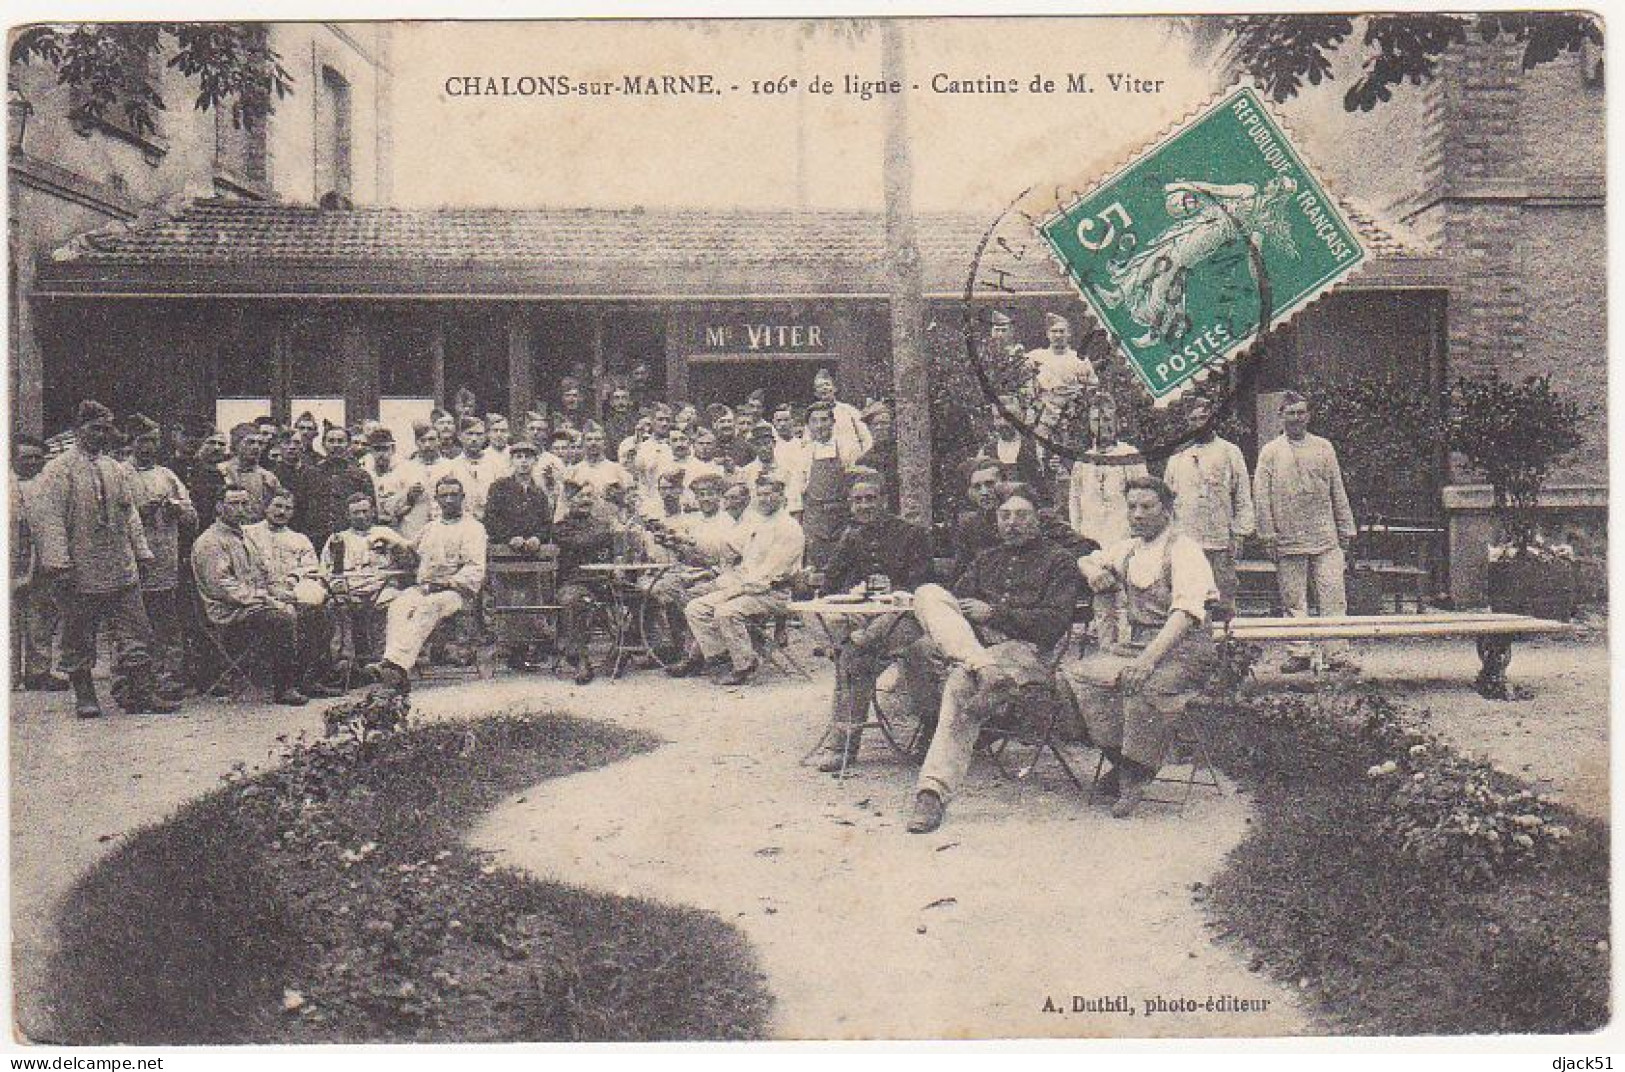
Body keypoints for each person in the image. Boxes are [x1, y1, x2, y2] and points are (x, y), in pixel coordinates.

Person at [903, 483, 1083, 834]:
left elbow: (1052, 624)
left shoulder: (1059, 561)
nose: (1012, 523)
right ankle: (984, 670)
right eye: (1005, 516)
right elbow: (954, 605)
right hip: (978, 646)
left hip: (1025, 649)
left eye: (1021, 515)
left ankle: (932, 791)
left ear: (1038, 518)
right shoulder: (988, 558)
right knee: (928, 594)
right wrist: (969, 622)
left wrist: (995, 613)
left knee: (959, 680)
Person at [1063, 476, 1219, 817]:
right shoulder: (1128, 548)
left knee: (1140, 685)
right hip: (1137, 644)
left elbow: (1185, 614)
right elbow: (1087, 559)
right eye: (1131, 507)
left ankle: (1136, 774)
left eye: (1147, 506)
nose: (1137, 514)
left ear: (1167, 510)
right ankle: (1123, 760)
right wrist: (1093, 573)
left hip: (1184, 649)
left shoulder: (1183, 549)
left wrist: (1147, 661)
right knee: (1076, 678)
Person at [31, 401, 176, 717]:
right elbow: (49, 520)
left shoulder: (114, 467)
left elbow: (129, 514)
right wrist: (59, 565)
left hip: (120, 566)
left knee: (136, 630)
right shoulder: (58, 470)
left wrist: (142, 552)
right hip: (79, 569)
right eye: (93, 428)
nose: (100, 435)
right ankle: (85, 696)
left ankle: (140, 694)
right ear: (78, 430)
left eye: (105, 429)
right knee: (79, 633)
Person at [810, 474, 934, 772]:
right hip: (869, 620)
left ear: (884, 500)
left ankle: (842, 745)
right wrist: (854, 589)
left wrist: (895, 586)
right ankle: (843, 743)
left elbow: (924, 583)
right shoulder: (852, 536)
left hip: (908, 619)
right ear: (850, 505)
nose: (864, 506)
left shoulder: (911, 534)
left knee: (853, 653)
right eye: (857, 500)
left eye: (870, 499)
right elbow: (830, 584)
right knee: (852, 654)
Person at [1253, 391, 1358, 672]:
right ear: (1281, 416)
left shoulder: (1324, 447)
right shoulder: (1270, 451)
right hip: (1288, 536)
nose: (1297, 418)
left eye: (1301, 412)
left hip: (1325, 535)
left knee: (1333, 595)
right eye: (1291, 413)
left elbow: (1337, 487)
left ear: (1308, 415)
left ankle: (1336, 654)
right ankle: (1298, 652)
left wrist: (1346, 527)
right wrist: (1267, 534)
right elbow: (1261, 496)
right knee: (1293, 598)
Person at [674, 473, 805, 686]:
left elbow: (769, 574)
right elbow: (730, 550)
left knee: (725, 610)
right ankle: (722, 657)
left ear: (781, 496)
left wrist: (733, 591)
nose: (764, 499)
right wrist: (690, 545)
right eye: (760, 495)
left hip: (773, 593)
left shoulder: (788, 528)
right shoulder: (759, 523)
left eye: (769, 494)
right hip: (749, 587)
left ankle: (744, 664)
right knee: (695, 608)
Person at [191, 486, 313, 706]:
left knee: (311, 609)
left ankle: (308, 680)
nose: (241, 509)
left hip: (252, 603)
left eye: (245, 504)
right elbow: (224, 589)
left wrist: (281, 592)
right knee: (280, 619)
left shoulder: (245, 536)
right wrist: (266, 598)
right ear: (219, 507)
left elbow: (262, 572)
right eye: (234, 504)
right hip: (229, 612)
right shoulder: (210, 542)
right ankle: (284, 688)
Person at [370, 476, 488, 690]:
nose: (449, 500)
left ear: (462, 498)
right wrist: (392, 544)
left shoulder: (474, 528)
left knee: (428, 607)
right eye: (444, 496)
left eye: (454, 495)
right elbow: (410, 550)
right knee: (399, 606)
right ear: (437, 499)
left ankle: (395, 668)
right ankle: (393, 666)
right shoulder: (431, 527)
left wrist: (446, 583)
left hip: (456, 593)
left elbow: (475, 568)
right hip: (424, 587)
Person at [125, 414, 198, 700]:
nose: (149, 446)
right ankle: (139, 679)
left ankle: (168, 676)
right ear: (131, 442)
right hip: (133, 560)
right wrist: (142, 511)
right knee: (135, 622)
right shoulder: (121, 474)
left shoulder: (167, 476)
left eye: (154, 440)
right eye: (143, 440)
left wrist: (178, 511)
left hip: (165, 558)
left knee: (166, 619)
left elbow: (193, 516)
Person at [1163, 397, 1255, 617]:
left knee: (1224, 597)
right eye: (1193, 419)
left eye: (1203, 418)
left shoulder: (1229, 451)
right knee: (1190, 597)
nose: (1199, 424)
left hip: (1220, 539)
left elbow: (1242, 493)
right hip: (1187, 539)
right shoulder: (1178, 455)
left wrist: (1241, 532)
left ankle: (1227, 644)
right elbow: (1167, 498)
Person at [244, 490, 341, 697]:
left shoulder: (299, 539)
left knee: (321, 614)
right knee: (287, 619)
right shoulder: (248, 534)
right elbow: (245, 569)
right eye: (277, 506)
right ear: (265, 507)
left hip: (292, 593)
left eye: (288, 508)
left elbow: (311, 568)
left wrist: (293, 582)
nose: (282, 512)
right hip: (259, 594)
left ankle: (308, 679)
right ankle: (286, 685)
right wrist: (269, 590)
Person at [322, 493, 407, 673]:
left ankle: (387, 661)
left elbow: (409, 560)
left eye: (364, 511)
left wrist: (395, 547)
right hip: (351, 589)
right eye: (355, 512)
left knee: (393, 604)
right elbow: (327, 571)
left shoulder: (386, 533)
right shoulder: (337, 539)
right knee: (335, 606)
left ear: (373, 512)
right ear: (347, 515)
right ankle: (344, 663)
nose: (361, 516)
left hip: (383, 587)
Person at [550, 487, 619, 685]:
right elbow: (580, 542)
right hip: (575, 583)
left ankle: (620, 653)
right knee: (572, 600)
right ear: (569, 501)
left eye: (589, 496)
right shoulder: (561, 528)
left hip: (604, 583)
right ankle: (580, 659)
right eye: (580, 496)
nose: (585, 500)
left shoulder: (601, 525)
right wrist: (605, 534)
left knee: (638, 594)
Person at [11, 434, 64, 691]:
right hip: (10, 557)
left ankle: (38, 671)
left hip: (41, 559)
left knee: (41, 617)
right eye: (25, 458)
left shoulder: (49, 485)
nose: (32, 462)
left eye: (36, 458)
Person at [794, 402, 861, 569]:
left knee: (846, 565)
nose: (819, 425)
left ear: (832, 422)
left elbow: (856, 482)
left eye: (824, 420)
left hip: (842, 516)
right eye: (814, 421)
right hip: (815, 520)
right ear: (808, 426)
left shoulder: (848, 448)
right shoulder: (803, 453)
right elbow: (796, 492)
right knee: (816, 567)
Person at [1022, 313, 1097, 453]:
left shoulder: (1079, 359)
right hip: (1043, 417)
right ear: (1047, 334)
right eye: (1054, 331)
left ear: (1069, 334)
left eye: (1061, 331)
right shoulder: (1036, 356)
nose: (1057, 335)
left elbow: (1092, 388)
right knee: (1041, 451)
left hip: (1072, 418)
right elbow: (1023, 384)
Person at [303, 424, 376, 552]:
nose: (336, 445)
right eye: (331, 441)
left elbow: (371, 511)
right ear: (324, 445)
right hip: (316, 539)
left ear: (348, 445)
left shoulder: (361, 476)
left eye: (340, 441)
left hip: (351, 539)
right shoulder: (310, 474)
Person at [218, 426, 284, 524]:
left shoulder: (268, 478)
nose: (256, 447)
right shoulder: (220, 471)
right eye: (250, 442)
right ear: (236, 444)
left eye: (260, 443)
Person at [364, 428, 425, 533]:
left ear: (393, 449)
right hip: (375, 525)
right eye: (377, 449)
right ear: (370, 450)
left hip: (402, 525)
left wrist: (398, 514)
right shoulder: (367, 472)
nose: (381, 454)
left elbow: (414, 500)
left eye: (385, 449)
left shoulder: (409, 470)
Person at [811, 368, 874, 460]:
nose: (824, 388)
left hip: (851, 464)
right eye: (819, 386)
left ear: (835, 389)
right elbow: (808, 441)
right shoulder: (812, 414)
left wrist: (860, 458)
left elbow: (867, 439)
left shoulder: (849, 411)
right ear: (816, 393)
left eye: (827, 384)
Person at [448, 416, 501, 522]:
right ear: (459, 436)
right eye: (469, 433)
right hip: (462, 523)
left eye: (479, 434)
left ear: (486, 437)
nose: (474, 439)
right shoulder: (451, 467)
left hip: (491, 522)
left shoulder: (496, 465)